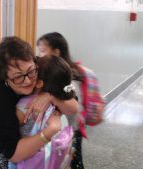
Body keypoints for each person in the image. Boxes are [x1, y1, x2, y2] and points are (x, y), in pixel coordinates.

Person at [0, 36, 78, 169]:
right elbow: (13, 153)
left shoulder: (39, 67)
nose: (28, 81)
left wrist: (51, 96)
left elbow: (73, 104)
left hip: (8, 110)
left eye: (31, 72)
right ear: (5, 79)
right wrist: (49, 132)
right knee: (0, 164)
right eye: (18, 77)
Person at [37, 32, 104, 169]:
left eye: (43, 51)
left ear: (56, 52)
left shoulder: (67, 77)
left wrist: (50, 96)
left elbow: (72, 105)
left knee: (70, 161)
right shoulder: (63, 72)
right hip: (63, 129)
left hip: (69, 130)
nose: (40, 55)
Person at [15, 56, 76, 169]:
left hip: (28, 161)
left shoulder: (27, 105)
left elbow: (5, 126)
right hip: (50, 161)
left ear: (39, 83)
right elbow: (75, 108)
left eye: (32, 72)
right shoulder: (59, 101)